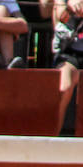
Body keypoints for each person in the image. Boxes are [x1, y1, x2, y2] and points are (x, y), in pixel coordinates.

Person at [48, 0, 83, 131]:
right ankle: (52, 137)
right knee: (64, 87)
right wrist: (69, 7)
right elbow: (60, 19)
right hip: (69, 53)